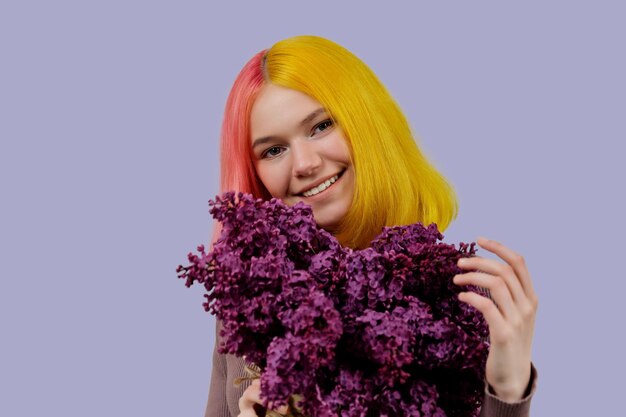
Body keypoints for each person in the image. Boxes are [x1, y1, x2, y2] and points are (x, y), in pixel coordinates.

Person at [206, 35, 538, 417]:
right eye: (273, 150)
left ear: (366, 122)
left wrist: (508, 388)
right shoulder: (252, 303)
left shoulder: (466, 297)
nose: (304, 163)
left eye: (321, 126)